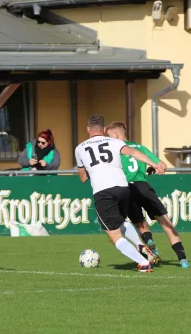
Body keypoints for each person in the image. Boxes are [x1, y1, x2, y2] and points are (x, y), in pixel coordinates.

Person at [75, 115, 163, 273]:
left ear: (88, 129)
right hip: (123, 188)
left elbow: (82, 178)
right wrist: (155, 164)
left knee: (114, 236)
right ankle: (140, 244)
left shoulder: (80, 148)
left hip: (103, 191)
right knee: (121, 222)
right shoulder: (115, 142)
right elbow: (132, 152)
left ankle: (143, 262)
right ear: (103, 129)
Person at [106, 121, 190, 268]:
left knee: (141, 225)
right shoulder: (140, 147)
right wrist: (152, 168)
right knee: (167, 224)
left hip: (127, 190)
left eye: (109, 136)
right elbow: (162, 166)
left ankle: (150, 244)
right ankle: (182, 260)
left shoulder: (114, 151)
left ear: (116, 134)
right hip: (143, 187)